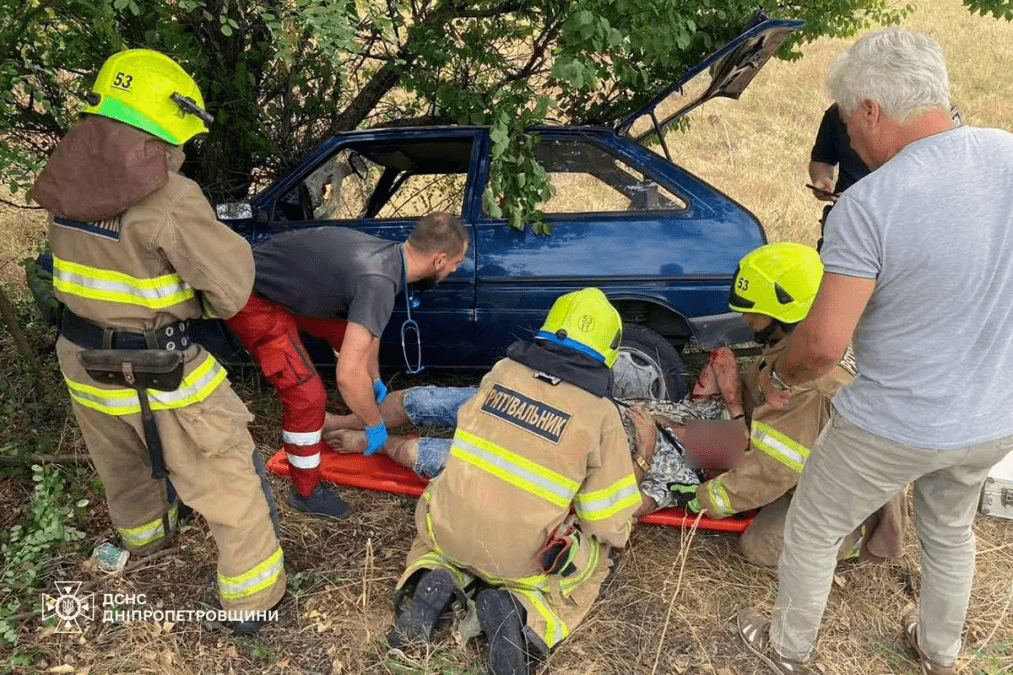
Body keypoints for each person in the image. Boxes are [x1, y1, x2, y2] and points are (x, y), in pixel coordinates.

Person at [325, 243, 906, 569]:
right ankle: (372, 420)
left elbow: (759, 467)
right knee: (480, 405)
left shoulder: (808, 391)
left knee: (505, 445)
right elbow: (746, 435)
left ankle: (381, 438)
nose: (745, 321)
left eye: (753, 311)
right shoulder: (785, 353)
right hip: (661, 429)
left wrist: (693, 492)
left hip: (790, 473)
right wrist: (721, 397)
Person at [738, 28, 1013, 675]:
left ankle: (787, 648)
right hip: (994, 415)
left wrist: (776, 372)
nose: (849, 142)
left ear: (868, 109)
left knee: (812, 523)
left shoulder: (868, 204)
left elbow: (823, 343)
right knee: (947, 528)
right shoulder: (1007, 154)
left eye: (846, 123)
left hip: (894, 424)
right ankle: (939, 654)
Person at [30, 49, 285, 633]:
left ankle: (147, 546)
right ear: (163, 128)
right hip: (158, 365)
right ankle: (252, 601)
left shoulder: (64, 183)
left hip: (82, 361)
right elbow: (230, 289)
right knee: (228, 475)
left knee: (124, 466)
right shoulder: (170, 198)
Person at [386, 288, 640, 675]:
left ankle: (432, 574)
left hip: (449, 526)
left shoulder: (501, 372)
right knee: (596, 562)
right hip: (520, 559)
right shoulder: (601, 415)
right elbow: (607, 522)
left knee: (435, 538)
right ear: (608, 353)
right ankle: (525, 618)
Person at [226, 212, 468, 519]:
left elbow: (368, 329)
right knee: (308, 396)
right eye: (456, 262)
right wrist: (374, 426)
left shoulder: (389, 258)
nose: (456, 269)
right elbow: (347, 375)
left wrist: (375, 378)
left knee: (348, 339)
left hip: (280, 285)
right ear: (439, 260)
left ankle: (340, 416)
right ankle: (306, 491)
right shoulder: (379, 280)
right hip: (252, 296)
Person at [808, 103, 871, 250]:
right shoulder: (840, 109)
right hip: (845, 224)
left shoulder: (916, 114)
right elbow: (822, 159)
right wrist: (822, 180)